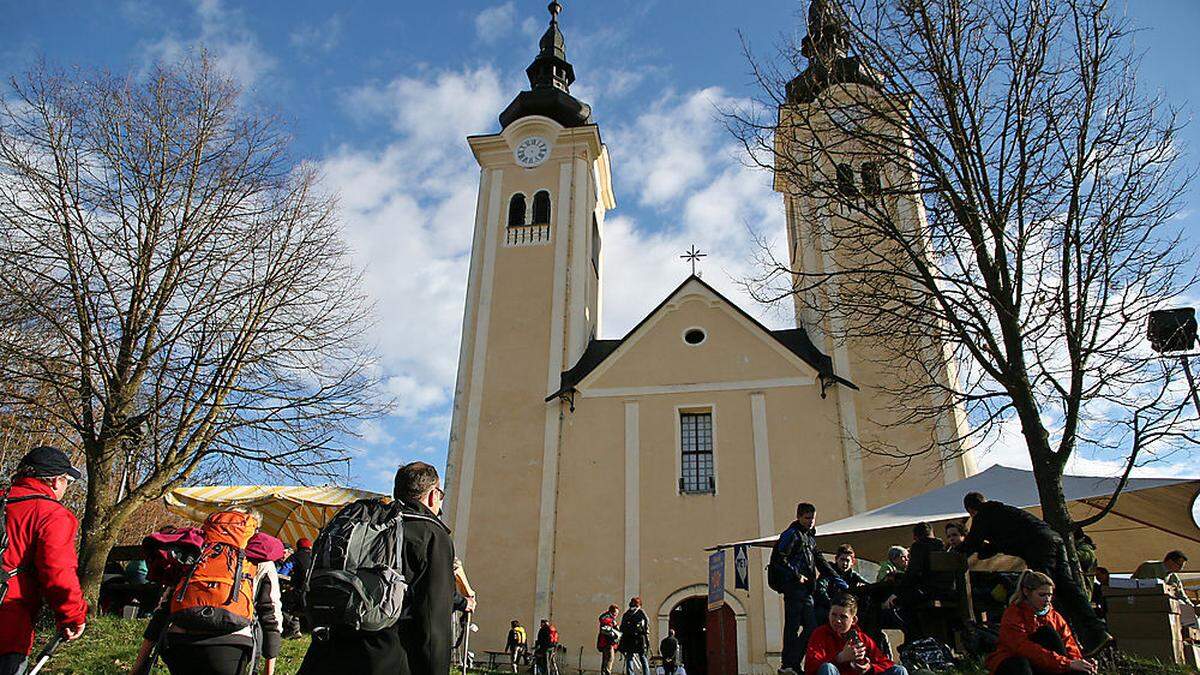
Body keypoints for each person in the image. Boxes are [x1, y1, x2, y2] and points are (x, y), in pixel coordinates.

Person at [297, 461, 457, 675]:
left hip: (325, 654)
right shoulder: (430, 533)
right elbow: (433, 617)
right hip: (386, 657)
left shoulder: (358, 520)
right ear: (433, 495)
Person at [131, 509, 285, 675]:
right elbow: (270, 615)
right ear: (253, 528)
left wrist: (138, 666)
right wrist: (269, 669)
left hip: (179, 642)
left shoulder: (195, 549)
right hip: (231, 644)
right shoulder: (259, 557)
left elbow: (164, 608)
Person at [958, 492, 1110, 655]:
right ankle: (1097, 632)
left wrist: (955, 551)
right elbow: (998, 544)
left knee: (1042, 593)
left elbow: (972, 543)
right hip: (1054, 539)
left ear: (971, 510)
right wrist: (984, 550)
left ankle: (1056, 644)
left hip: (1038, 547)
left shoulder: (984, 515)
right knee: (1068, 587)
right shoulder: (1004, 512)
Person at [0, 446, 88, 675]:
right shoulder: (50, 514)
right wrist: (73, 615)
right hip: (8, 625)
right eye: (68, 481)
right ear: (56, 481)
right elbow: (58, 572)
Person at [772, 502, 840, 674]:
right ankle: (789, 664)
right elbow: (780, 559)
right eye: (807, 518)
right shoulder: (791, 534)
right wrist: (797, 575)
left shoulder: (809, 537)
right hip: (794, 588)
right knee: (793, 626)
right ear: (799, 517)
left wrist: (837, 578)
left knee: (812, 627)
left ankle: (793, 662)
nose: (810, 521)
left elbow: (820, 560)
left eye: (813, 518)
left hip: (807, 589)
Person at [986, 571, 1097, 675]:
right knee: (1021, 664)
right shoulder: (1014, 613)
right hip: (1013, 659)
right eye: (1042, 595)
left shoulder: (1054, 616)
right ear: (1026, 592)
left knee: (1049, 633)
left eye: (1049, 595)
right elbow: (1021, 647)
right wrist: (1066, 664)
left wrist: (1079, 663)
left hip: (1049, 662)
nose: (1047, 599)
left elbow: (1069, 643)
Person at [804, 593, 908, 675]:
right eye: (834, 615)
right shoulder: (820, 634)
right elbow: (810, 667)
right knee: (828, 668)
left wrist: (869, 668)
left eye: (843, 617)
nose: (837, 621)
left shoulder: (862, 638)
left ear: (853, 620)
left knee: (899, 671)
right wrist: (839, 658)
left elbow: (885, 663)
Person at [885, 522, 945, 611]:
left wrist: (897, 593)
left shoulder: (919, 546)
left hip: (927, 592)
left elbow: (912, 573)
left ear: (915, 537)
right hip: (943, 590)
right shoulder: (941, 546)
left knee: (896, 602)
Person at [281, 538, 314, 638]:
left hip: (299, 590)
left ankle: (293, 630)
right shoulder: (316, 557)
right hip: (315, 590)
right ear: (310, 547)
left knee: (285, 605)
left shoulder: (294, 557)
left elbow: (283, 572)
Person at [618, 596, 651, 674]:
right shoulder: (641, 612)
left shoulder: (626, 614)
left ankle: (630, 673)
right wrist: (646, 634)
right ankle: (646, 673)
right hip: (640, 638)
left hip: (628, 638)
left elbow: (622, 627)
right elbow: (647, 624)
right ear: (639, 605)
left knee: (629, 657)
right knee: (643, 657)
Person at [596, 604, 620, 675]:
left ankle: (604, 673)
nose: (616, 615)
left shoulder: (609, 619)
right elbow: (608, 630)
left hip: (607, 643)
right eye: (616, 613)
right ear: (611, 612)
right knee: (609, 660)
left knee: (605, 661)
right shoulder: (607, 619)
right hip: (607, 643)